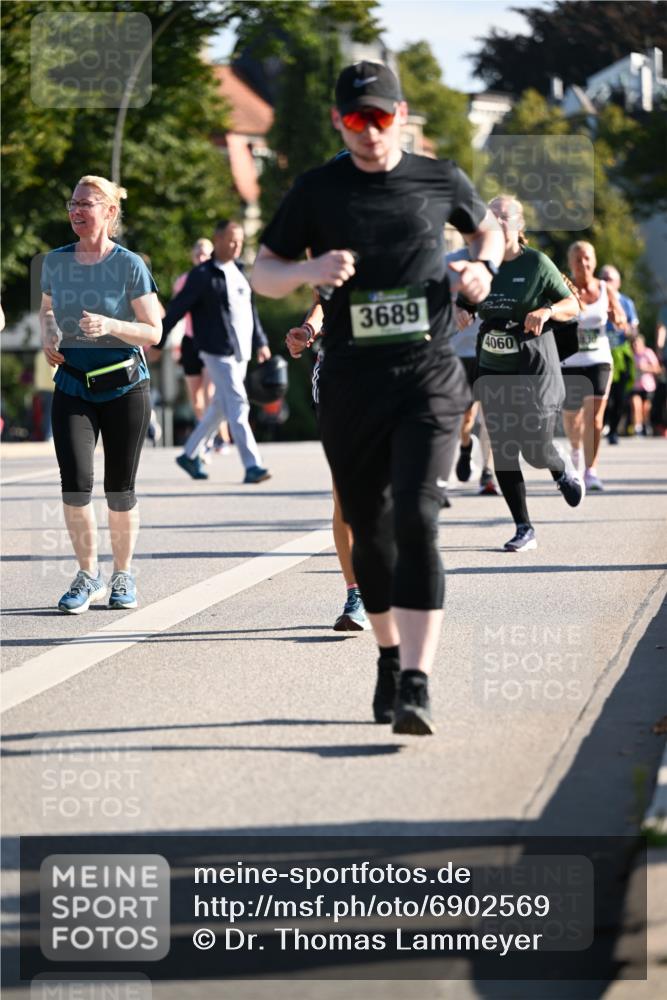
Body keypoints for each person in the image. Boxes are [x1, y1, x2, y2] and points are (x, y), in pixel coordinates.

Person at [252, 60, 504, 735]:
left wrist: (480, 265)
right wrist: (307, 269)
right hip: (351, 381)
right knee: (369, 528)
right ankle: (389, 658)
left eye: (382, 118)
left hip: (426, 375)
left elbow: (488, 228)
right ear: (340, 119)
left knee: (418, 518)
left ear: (402, 116)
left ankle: (417, 681)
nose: (370, 132)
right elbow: (264, 271)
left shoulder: (438, 176)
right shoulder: (316, 190)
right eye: (356, 120)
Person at [39, 175, 162, 613]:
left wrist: (111, 326)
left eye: (86, 204)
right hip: (73, 384)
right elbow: (47, 311)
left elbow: (153, 329)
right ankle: (87, 575)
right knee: (74, 486)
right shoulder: (55, 261)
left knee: (119, 489)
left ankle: (122, 575)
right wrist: (48, 335)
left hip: (124, 386)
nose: (76, 211)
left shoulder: (130, 264)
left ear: (109, 212)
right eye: (72, 203)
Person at [457, 195, 582, 551]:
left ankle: (559, 467)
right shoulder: (480, 263)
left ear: (519, 225)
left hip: (535, 369)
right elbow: (465, 302)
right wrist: (461, 312)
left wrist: (546, 312)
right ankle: (523, 527)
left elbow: (572, 304)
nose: (496, 223)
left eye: (502, 217)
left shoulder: (537, 263)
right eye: (490, 218)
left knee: (534, 450)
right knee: (504, 447)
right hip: (493, 369)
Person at [160, 220, 271, 483]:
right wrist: (156, 337)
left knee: (220, 406)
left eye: (240, 241)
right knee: (238, 403)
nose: (236, 246)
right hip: (215, 350)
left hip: (240, 351)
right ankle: (253, 465)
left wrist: (261, 342)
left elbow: (250, 313)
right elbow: (177, 307)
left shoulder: (240, 272)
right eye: (232, 240)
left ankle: (189, 454)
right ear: (218, 240)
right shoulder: (202, 275)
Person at [286, 298, 370, 632]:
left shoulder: (399, 252)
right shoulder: (333, 254)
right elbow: (324, 302)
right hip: (337, 377)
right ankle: (356, 594)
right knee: (345, 494)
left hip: (391, 375)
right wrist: (307, 329)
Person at [561, 241, 627, 491]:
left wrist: (618, 318)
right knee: (571, 418)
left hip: (599, 359)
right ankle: (576, 452)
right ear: (570, 263)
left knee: (595, 418)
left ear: (594, 261)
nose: (583, 263)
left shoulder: (604, 288)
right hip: (568, 361)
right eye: (578, 259)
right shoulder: (563, 286)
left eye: (587, 258)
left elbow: (619, 315)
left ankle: (590, 470)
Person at [172, 238, 232, 458]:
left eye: (205, 253)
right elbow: (177, 313)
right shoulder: (183, 281)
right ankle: (206, 436)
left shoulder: (218, 277)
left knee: (210, 392)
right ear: (192, 256)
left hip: (211, 341)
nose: (201, 257)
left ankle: (220, 438)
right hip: (189, 341)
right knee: (195, 399)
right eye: (198, 253)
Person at [446, 245, 498, 496]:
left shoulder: (499, 261)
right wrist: (455, 307)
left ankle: (487, 472)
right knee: (464, 417)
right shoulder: (450, 261)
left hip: (489, 351)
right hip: (457, 353)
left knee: (489, 415)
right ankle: (465, 447)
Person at [598, 264, 639, 444]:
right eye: (604, 278)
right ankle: (601, 425)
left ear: (618, 282)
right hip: (600, 352)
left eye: (610, 279)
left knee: (620, 395)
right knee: (603, 395)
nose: (607, 282)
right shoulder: (594, 299)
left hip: (621, 353)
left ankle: (613, 430)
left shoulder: (626, 303)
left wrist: (626, 328)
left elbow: (634, 331)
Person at [630, 334, 661, 435]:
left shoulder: (648, 353)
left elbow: (657, 369)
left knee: (645, 408)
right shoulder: (631, 355)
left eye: (637, 343)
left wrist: (645, 368)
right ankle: (637, 428)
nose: (635, 346)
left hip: (648, 386)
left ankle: (646, 425)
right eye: (634, 344)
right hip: (635, 386)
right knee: (636, 404)